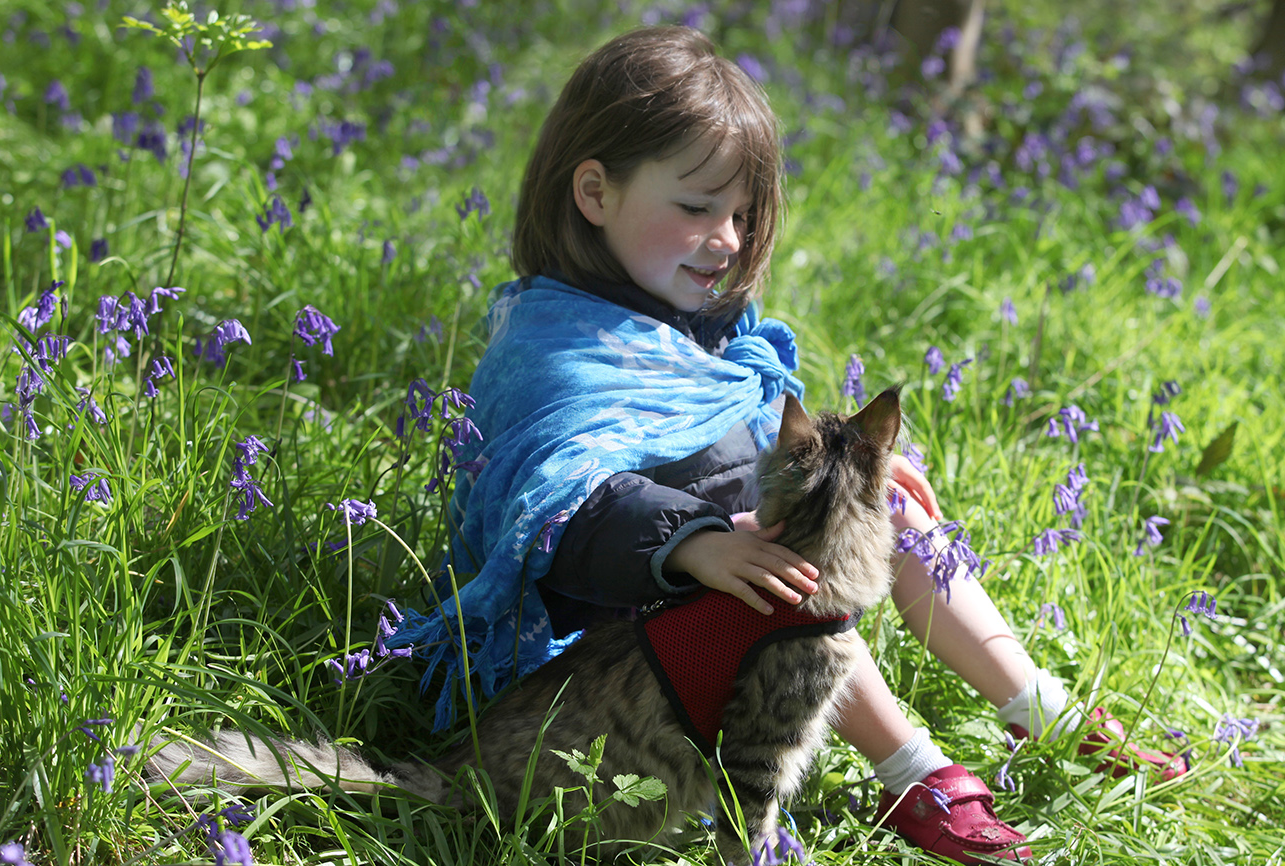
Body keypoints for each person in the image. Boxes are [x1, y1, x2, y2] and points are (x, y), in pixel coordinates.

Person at [405, 25, 1184, 864]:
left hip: (732, 582)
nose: (729, 240)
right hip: (615, 657)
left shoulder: (701, 328)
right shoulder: (553, 347)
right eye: (698, 208)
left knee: (887, 521)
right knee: (793, 598)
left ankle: (1040, 708)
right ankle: (909, 769)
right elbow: (565, 501)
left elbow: (753, 450)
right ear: (594, 192)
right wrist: (691, 544)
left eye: (742, 215)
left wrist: (858, 477)